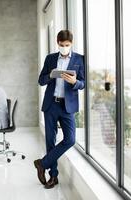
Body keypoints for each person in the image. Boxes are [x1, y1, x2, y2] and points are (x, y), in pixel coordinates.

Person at [34, 30, 85, 189]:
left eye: (67, 45)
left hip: (67, 106)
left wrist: (75, 81)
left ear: (71, 44)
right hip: (51, 105)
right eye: (61, 45)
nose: (64, 48)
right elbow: (41, 81)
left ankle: (42, 163)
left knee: (70, 139)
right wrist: (50, 75)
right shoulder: (50, 59)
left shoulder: (79, 59)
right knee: (50, 141)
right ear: (58, 43)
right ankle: (53, 177)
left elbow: (83, 84)